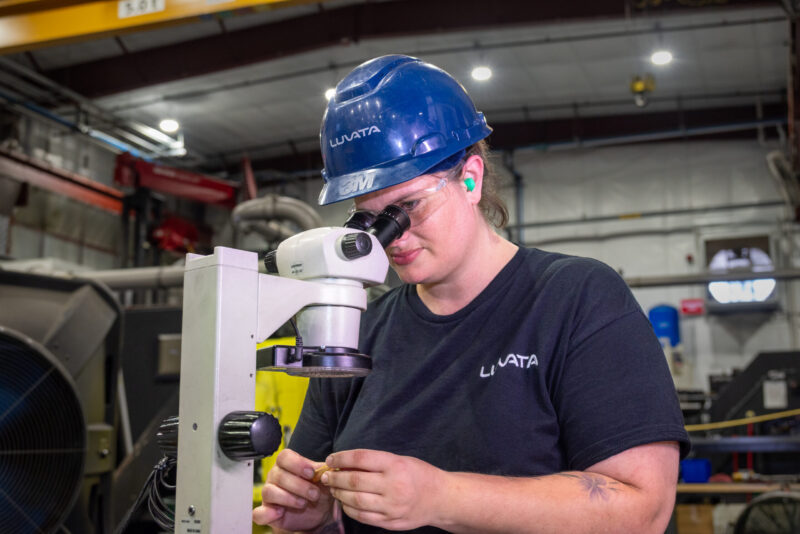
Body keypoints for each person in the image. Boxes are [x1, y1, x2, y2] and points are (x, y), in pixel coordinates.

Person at [252, 54, 690, 534]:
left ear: (471, 178)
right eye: (367, 217)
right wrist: (315, 518)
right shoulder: (361, 331)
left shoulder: (577, 299)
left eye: (407, 207)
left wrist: (442, 497)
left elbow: (641, 510)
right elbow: (321, 499)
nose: (388, 237)